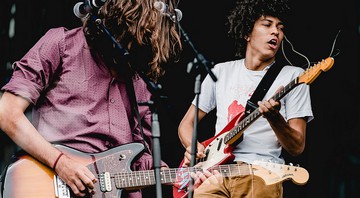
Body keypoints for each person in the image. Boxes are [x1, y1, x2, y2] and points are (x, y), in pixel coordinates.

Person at [0, 0, 182, 197]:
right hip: (46, 182)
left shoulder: (140, 81)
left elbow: (139, 160)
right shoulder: (61, 44)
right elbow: (7, 113)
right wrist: (61, 163)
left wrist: (178, 175)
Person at [178, 0, 313, 197]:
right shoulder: (220, 72)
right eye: (267, 25)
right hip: (216, 173)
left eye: (280, 28)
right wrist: (193, 146)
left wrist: (276, 120)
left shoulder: (294, 77)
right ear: (246, 33)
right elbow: (186, 124)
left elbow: (297, 147)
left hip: (261, 173)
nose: (275, 32)